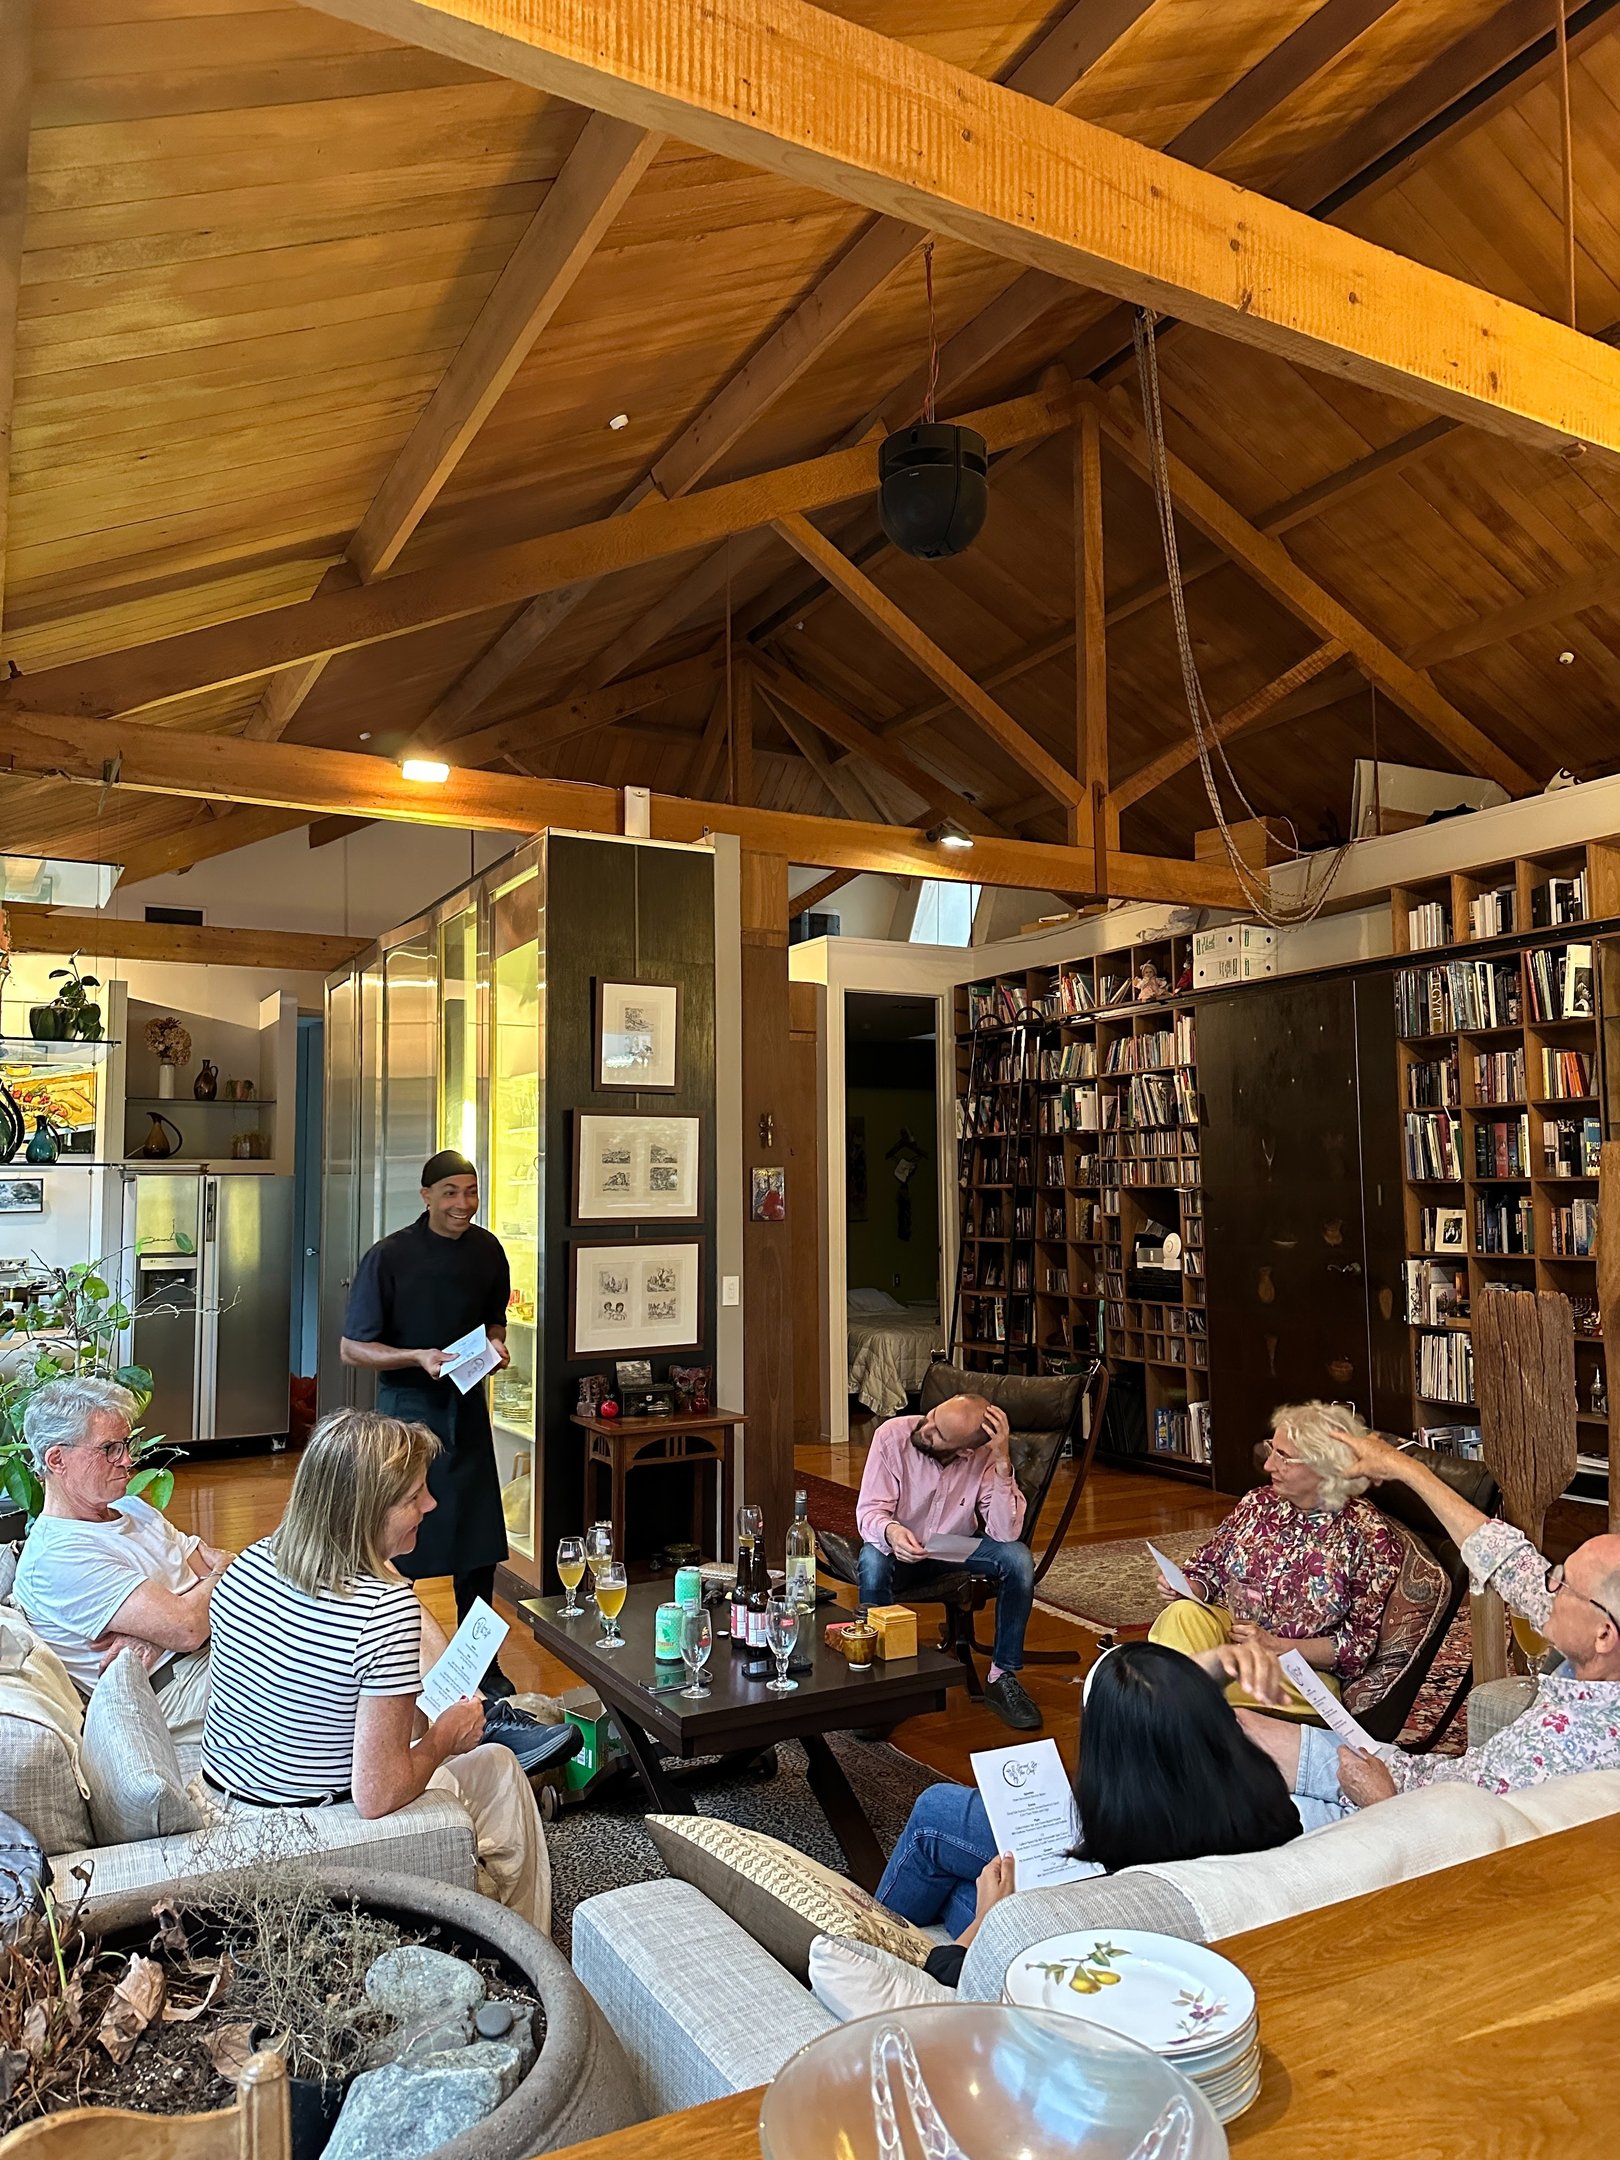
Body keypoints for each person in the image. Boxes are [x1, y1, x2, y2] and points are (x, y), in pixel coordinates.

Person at [201, 1409, 557, 1931]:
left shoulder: (250, 1564)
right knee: (498, 1766)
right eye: (414, 1497)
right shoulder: (380, 1611)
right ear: (365, 1510)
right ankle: (525, 1953)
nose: (431, 1504)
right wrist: (442, 1738)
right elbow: (378, 1795)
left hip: (231, 1804)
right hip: (317, 1826)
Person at [1240, 1425, 1620, 1818]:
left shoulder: (1581, 1751)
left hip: (1397, 1821)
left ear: (1604, 1635)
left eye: (1562, 1584)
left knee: (1229, 1810)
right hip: (1410, 1775)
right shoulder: (1593, 1646)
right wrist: (1400, 1465)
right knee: (1229, 1730)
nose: (1547, 1586)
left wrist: (1381, 1802)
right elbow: (1506, 1557)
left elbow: (1478, 1854)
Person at [876, 1640, 1308, 1976]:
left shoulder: (1115, 1884)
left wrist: (990, 1919)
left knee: (945, 1839)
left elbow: (956, 1977)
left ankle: (866, 1945)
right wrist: (1216, 1665)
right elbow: (1167, 1720)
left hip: (1020, 1943)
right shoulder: (1263, 1803)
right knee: (960, 1881)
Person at [341, 1149, 516, 1694]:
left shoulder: (488, 1251)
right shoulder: (389, 1257)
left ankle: (481, 1666)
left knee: (478, 1552)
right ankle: (399, 1668)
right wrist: (415, 1356)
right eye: (449, 1193)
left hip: (466, 1414)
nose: (462, 1204)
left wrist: (496, 1345)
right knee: (403, 1546)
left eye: (470, 1191)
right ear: (425, 1196)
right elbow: (353, 1348)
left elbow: (494, 1320)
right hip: (406, 1424)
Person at [1149, 1400, 1405, 1718]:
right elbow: (1208, 1567)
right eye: (1272, 1449)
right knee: (1183, 1614)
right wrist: (1189, 1587)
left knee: (1199, 1684)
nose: (1269, 1465)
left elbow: (1355, 1647)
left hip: (1297, 1667)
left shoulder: (1368, 1535)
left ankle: (1173, 1715)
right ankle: (1185, 1711)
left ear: (1324, 1466)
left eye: (1283, 1456)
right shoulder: (1258, 1503)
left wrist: (1275, 1644)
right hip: (1232, 1637)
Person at [14, 1376, 229, 1742]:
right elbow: (189, 1625)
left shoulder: (131, 1508)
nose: (128, 1460)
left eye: (128, 1444)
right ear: (57, 1459)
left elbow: (203, 1602)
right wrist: (220, 1575)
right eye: (110, 1448)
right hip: (176, 1688)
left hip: (212, 1649)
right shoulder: (58, 1555)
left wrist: (158, 1636)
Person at [855, 1393, 1038, 1731]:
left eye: (938, 1434)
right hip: (899, 1548)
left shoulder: (982, 1457)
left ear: (965, 1450)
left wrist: (1001, 1462)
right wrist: (892, 1532)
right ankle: (877, 1690)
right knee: (872, 1558)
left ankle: (1002, 1676)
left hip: (953, 1548)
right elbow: (869, 1513)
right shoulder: (892, 1436)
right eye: (932, 1417)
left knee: (1018, 1559)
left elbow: (1004, 1532)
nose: (924, 1429)